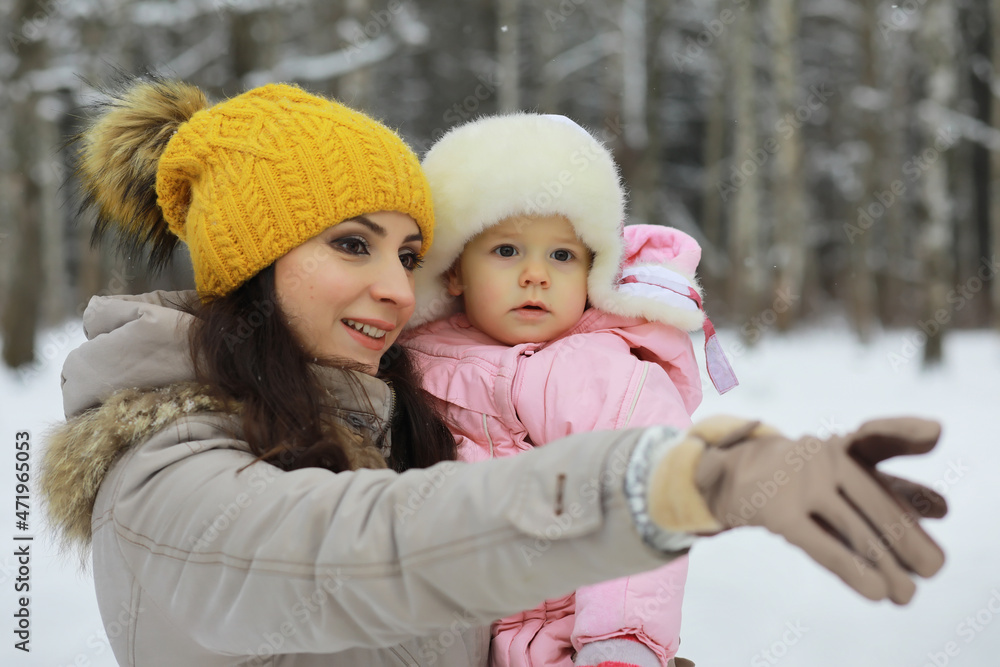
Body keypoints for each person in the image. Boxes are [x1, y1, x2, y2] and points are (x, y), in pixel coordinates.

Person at [39, 77, 948, 667]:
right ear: (248, 260)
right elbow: (355, 550)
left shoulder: (380, 422)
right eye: (353, 244)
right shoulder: (160, 467)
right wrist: (663, 480)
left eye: (411, 253)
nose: (396, 289)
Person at [401, 113, 738, 667]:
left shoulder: (602, 371)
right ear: (455, 271)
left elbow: (643, 496)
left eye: (561, 256)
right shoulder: (411, 359)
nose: (536, 275)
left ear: (594, 272)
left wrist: (620, 642)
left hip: (564, 639)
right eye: (506, 251)